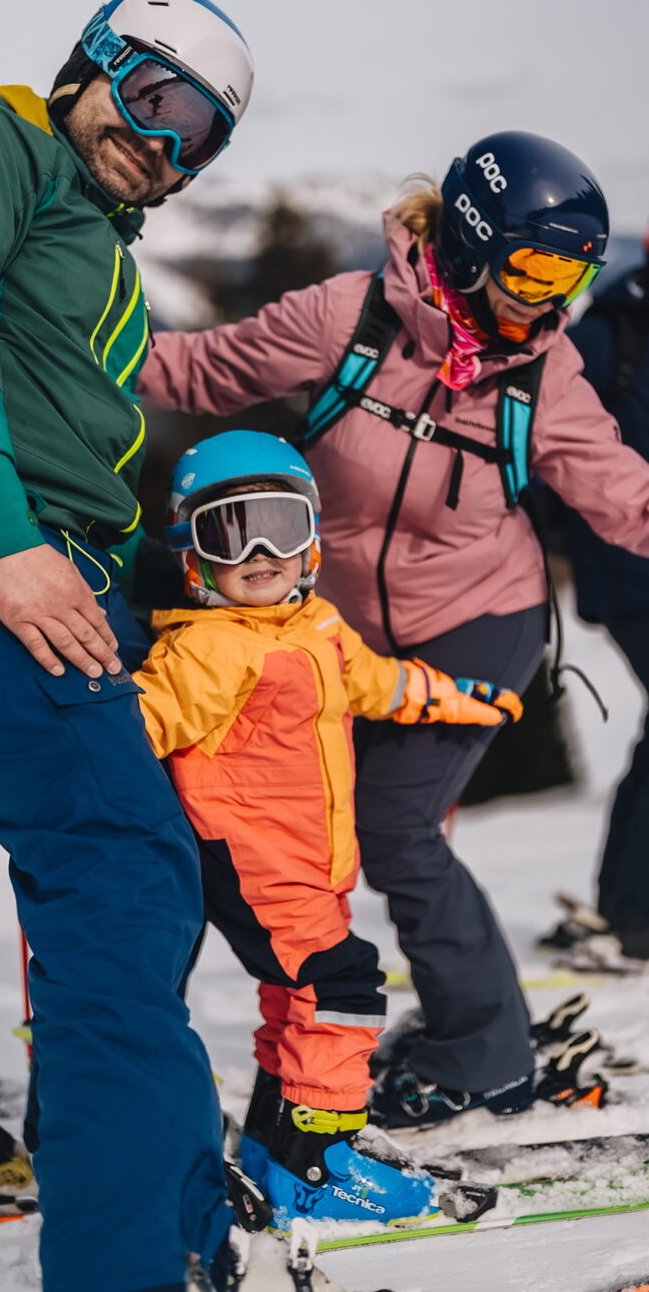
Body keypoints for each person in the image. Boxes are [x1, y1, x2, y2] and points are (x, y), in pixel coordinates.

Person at [137, 130, 649, 1128]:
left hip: (478, 617)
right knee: (275, 836)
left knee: (396, 828)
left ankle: (486, 1056)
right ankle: (282, 1040)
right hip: (331, 629)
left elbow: (624, 494)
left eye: (571, 278)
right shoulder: (349, 318)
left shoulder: (543, 376)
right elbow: (194, 372)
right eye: (534, 269)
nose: (548, 301)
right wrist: (55, 347)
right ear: (469, 241)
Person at [0, 0, 255, 1292]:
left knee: (150, 871)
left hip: (52, 557)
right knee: (116, 872)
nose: (165, 146)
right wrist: (2, 541)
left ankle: (165, 1208)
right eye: (157, 101)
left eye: (200, 137)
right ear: (93, 60)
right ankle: (127, 1260)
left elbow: (79, 435)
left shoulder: (94, 236)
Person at [132, 429, 522, 1225]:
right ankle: (319, 1159)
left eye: (281, 525)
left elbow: (379, 682)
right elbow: (140, 728)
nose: (261, 553)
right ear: (192, 556)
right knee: (340, 986)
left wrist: (458, 698)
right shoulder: (208, 650)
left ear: (312, 538)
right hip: (254, 863)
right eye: (231, 532)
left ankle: (277, 1142)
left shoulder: (318, 627)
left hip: (310, 864)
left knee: (296, 994)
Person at [548, 240, 649, 967]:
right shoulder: (612, 333)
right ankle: (631, 913)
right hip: (627, 572)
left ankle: (624, 904)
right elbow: (541, 438)